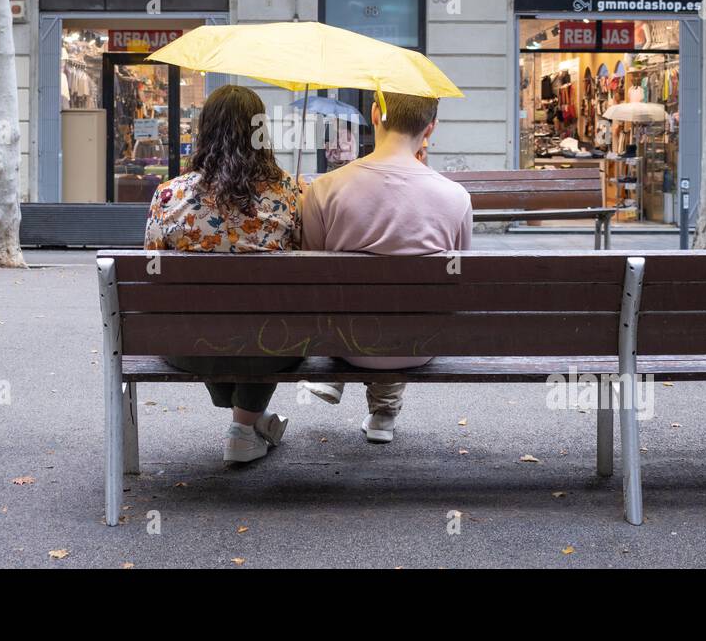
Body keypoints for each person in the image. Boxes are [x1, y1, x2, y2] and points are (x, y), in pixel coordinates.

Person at [299, 92, 473, 443]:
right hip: (417, 345)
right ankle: (384, 413)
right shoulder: (456, 197)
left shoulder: (324, 189)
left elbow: (309, 273)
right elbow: (458, 278)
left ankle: (336, 376)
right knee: (405, 309)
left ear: (375, 114)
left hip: (344, 342)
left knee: (349, 304)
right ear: (431, 128)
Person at [144, 85, 304, 463]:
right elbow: (300, 267)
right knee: (262, 326)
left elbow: (152, 274)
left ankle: (246, 422)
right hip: (270, 347)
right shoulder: (288, 193)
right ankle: (245, 425)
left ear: (204, 131)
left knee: (210, 324)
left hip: (189, 347)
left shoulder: (168, 196)